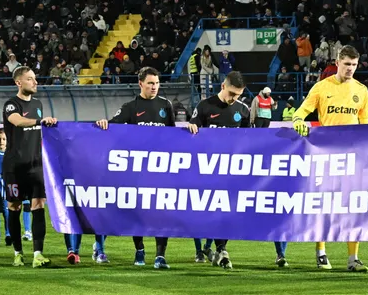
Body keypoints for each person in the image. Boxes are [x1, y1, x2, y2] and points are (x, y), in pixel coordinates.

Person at [291, 46, 368, 272]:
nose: (350, 69)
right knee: (324, 205)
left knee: (353, 205)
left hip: (352, 158)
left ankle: (353, 258)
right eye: (346, 64)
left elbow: (366, 124)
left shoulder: (361, 90)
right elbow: (301, 111)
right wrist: (298, 121)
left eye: (354, 65)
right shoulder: (321, 87)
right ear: (337, 63)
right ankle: (321, 253)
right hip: (326, 155)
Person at [95, 67, 176, 268]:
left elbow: (173, 136)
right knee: (137, 212)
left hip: (159, 170)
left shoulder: (166, 105)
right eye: (150, 83)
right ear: (140, 84)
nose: (154, 87)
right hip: (137, 171)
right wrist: (104, 123)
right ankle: (139, 250)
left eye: (157, 83)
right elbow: (113, 126)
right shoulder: (131, 107)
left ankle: (160, 256)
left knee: (161, 212)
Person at [188, 71, 251, 270]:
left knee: (227, 211)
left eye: (238, 95)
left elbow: (249, 140)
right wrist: (192, 128)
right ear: (223, 86)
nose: (234, 99)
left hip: (230, 172)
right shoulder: (205, 106)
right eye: (232, 93)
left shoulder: (243, 110)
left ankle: (220, 248)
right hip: (207, 171)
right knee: (207, 212)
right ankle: (210, 248)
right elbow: (192, 130)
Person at [2, 67, 58, 268]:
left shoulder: (38, 104)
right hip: (14, 166)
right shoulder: (11, 104)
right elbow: (17, 121)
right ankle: (18, 253)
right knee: (14, 207)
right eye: (30, 79)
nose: (35, 82)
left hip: (36, 165)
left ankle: (37, 254)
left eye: (35, 78)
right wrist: (38, 121)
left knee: (38, 205)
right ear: (19, 82)